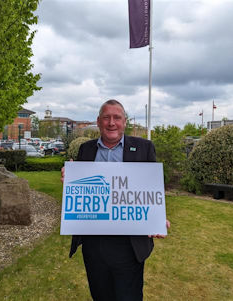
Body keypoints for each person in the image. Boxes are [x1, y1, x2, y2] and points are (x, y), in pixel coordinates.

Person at [61, 99, 170, 301]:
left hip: (129, 245)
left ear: (124, 122)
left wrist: (157, 218)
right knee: (100, 295)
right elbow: (82, 187)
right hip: (94, 243)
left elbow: (150, 189)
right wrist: (70, 179)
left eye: (117, 117)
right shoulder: (86, 149)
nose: (112, 123)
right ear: (99, 121)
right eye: (106, 117)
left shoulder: (144, 148)